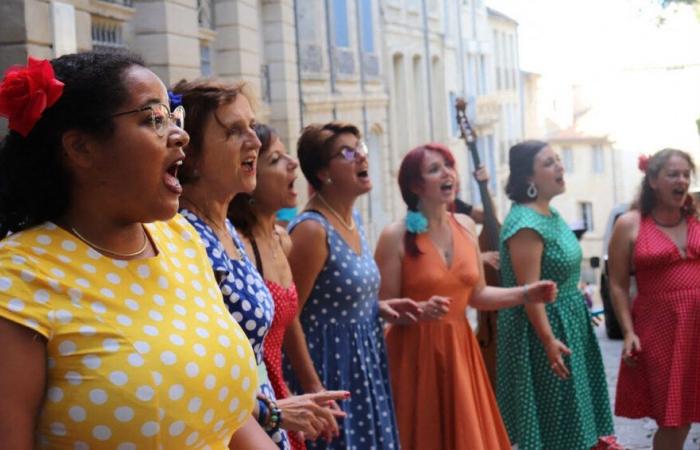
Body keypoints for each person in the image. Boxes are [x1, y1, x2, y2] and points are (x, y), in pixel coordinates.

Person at [0, 52, 271, 449]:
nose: (180, 135)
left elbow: (228, 420)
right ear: (81, 148)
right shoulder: (19, 277)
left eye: (173, 118)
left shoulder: (180, 238)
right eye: (154, 120)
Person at [172, 80, 346, 450]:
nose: (253, 140)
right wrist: (272, 413)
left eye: (251, 125)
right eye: (234, 131)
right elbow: (193, 375)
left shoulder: (225, 231)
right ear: (192, 155)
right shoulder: (183, 236)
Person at [374, 143, 557, 450]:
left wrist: (526, 292)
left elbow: (479, 295)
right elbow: (380, 309)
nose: (448, 173)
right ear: (415, 185)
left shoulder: (468, 227)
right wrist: (419, 310)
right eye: (435, 169)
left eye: (449, 166)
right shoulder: (395, 235)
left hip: (460, 349)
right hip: (412, 356)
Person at [285, 122, 420, 449]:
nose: (361, 156)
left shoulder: (352, 219)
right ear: (322, 173)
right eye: (347, 152)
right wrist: (314, 387)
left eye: (361, 148)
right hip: (330, 366)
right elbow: (288, 316)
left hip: (364, 363)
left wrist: (379, 308)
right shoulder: (311, 230)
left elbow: (335, 295)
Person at [229, 123, 348, 449]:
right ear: (249, 180)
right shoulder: (238, 246)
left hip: (278, 387)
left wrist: (312, 384)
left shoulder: (283, 240)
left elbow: (291, 316)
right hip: (252, 396)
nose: (292, 164)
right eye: (276, 159)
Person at [496, 140, 614, 450]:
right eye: (549, 163)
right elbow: (530, 294)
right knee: (559, 426)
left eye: (558, 160)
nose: (560, 166)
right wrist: (549, 341)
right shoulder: (526, 223)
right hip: (541, 333)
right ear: (528, 179)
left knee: (576, 422)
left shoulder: (550, 213)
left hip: (567, 322)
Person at [609, 149, 699, 450]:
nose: (682, 180)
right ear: (652, 181)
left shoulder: (697, 216)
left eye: (686, 174)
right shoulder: (629, 223)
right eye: (673, 174)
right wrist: (628, 331)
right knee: (673, 418)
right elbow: (618, 285)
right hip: (660, 329)